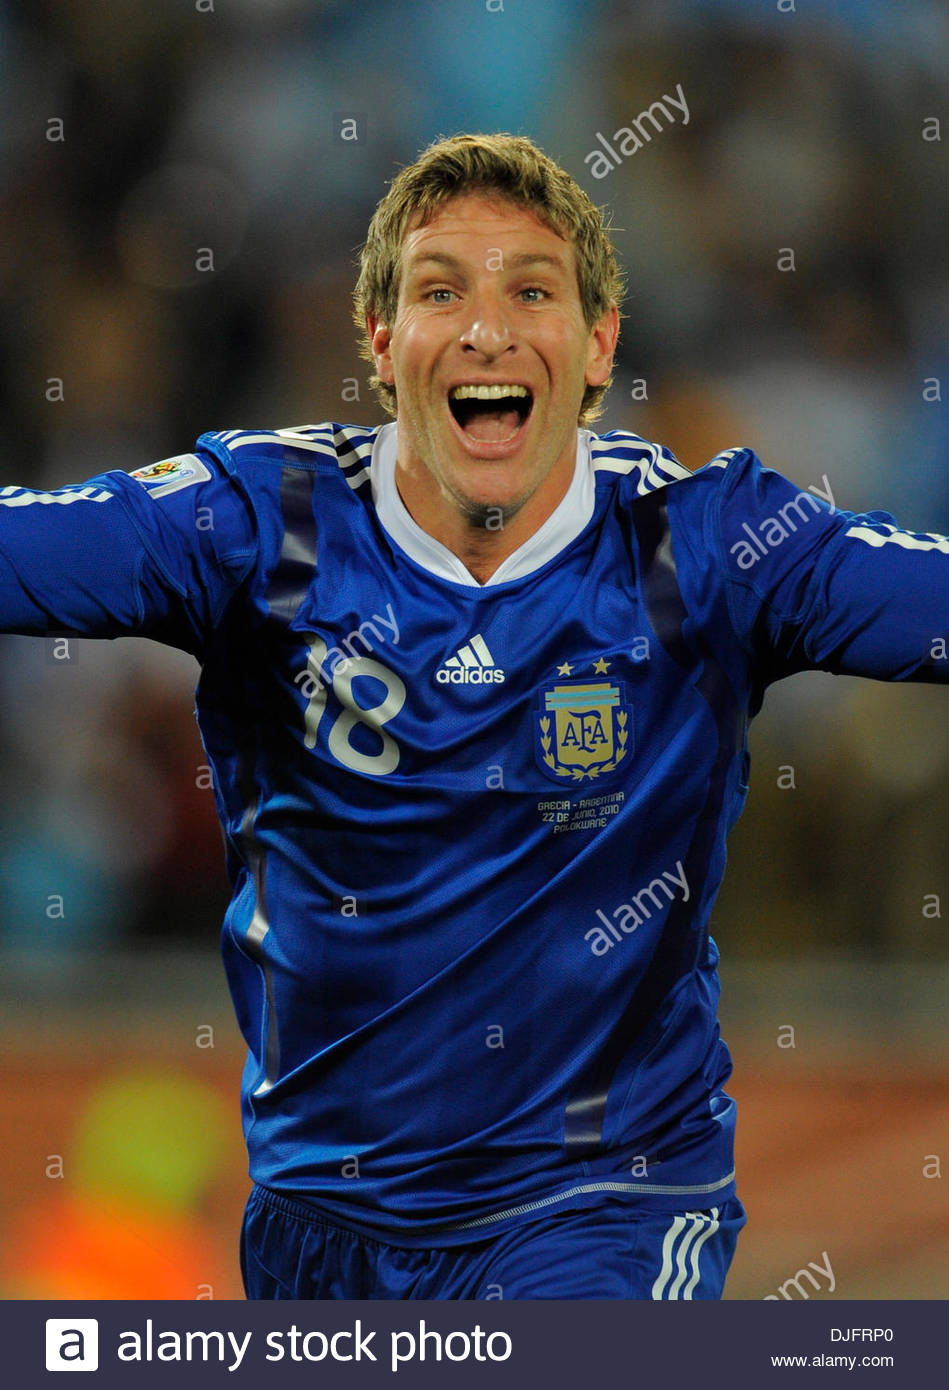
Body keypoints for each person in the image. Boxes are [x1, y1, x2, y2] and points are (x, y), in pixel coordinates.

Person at [1, 132, 946, 1300]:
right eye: (441, 289)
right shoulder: (259, 526)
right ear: (381, 342)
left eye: (532, 290)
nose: (488, 329)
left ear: (597, 347)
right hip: (317, 1225)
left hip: (603, 1207)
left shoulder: (706, 546)